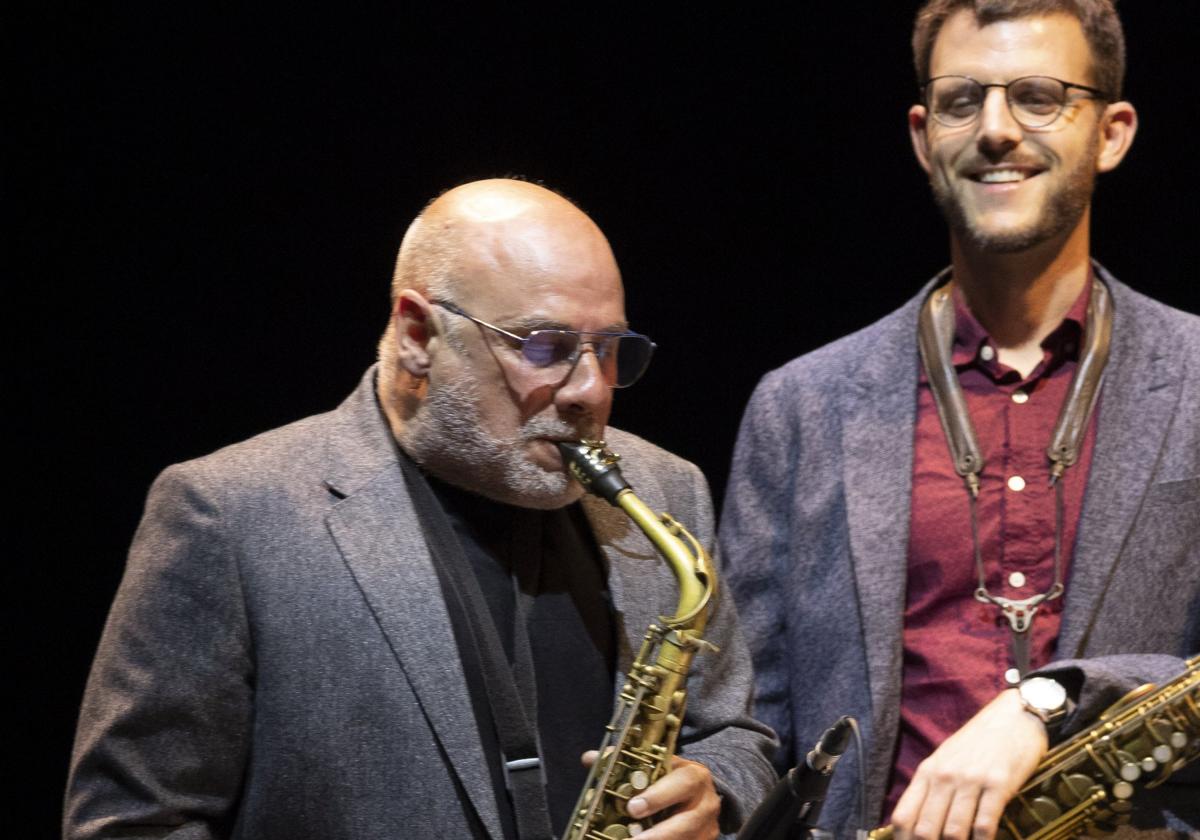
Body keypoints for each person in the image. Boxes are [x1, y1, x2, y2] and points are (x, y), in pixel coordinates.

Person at [65, 178, 777, 840]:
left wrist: (715, 792)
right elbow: (135, 821)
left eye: (611, 348)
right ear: (416, 334)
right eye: (546, 346)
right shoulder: (230, 514)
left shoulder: (666, 485)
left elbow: (735, 735)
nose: (591, 390)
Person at [721, 2, 1198, 838]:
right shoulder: (799, 406)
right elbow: (750, 726)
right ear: (921, 134)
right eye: (961, 100)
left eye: (1040, 97)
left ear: (1113, 132)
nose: (996, 130)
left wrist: (1048, 703)